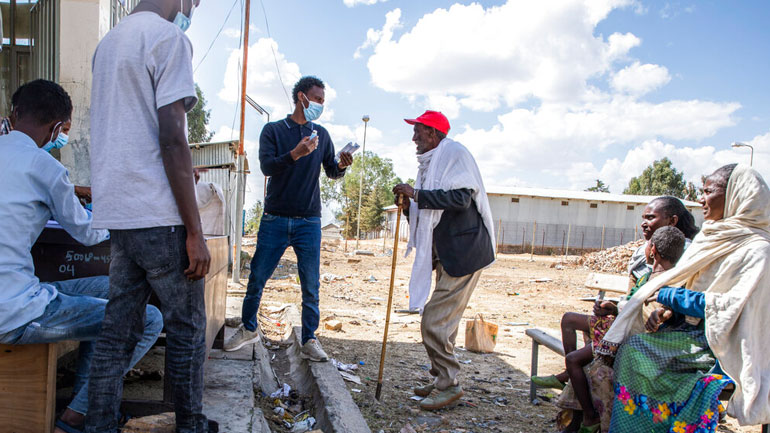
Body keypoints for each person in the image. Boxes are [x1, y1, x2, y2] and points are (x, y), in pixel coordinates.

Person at [0, 80, 162, 433]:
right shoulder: (46, 169)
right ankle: (76, 417)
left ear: (13, 114)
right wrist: (114, 212)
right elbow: (87, 234)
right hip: (13, 312)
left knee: (108, 290)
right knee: (146, 319)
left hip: (15, 291)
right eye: (64, 133)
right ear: (58, 128)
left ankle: (83, 403)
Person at [86, 0, 215, 431]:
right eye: (194, 0)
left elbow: (130, 130)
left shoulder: (108, 44)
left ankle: (98, 424)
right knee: (187, 330)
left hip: (120, 214)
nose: (192, 7)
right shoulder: (169, 38)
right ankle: (191, 426)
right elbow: (172, 136)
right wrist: (195, 231)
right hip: (159, 218)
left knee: (116, 333)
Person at [598, 164, 770, 432]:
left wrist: (670, 296)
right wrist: (666, 310)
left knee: (634, 351)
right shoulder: (712, 238)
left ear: (737, 194)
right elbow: (693, 286)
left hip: (722, 345)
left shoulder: (757, 250)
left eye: (708, 191)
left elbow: (730, 307)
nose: (701, 199)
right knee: (631, 348)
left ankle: (654, 424)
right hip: (688, 333)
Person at [224, 76, 354, 361]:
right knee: (257, 276)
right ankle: (248, 329)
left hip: (309, 221)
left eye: (323, 100)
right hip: (275, 218)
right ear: (301, 97)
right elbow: (267, 166)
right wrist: (295, 154)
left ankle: (308, 338)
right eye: (316, 99)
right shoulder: (273, 130)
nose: (320, 104)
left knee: (310, 283)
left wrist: (342, 165)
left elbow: (331, 170)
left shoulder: (321, 134)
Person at [533, 196, 699, 391]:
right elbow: (633, 296)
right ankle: (571, 376)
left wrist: (623, 310)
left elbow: (671, 300)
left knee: (579, 357)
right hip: (627, 318)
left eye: (651, 218)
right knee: (570, 321)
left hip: (646, 331)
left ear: (672, 221)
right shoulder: (643, 253)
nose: (644, 223)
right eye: (643, 217)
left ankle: (574, 383)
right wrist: (613, 306)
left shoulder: (683, 255)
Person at [392, 110, 495, 411]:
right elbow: (429, 215)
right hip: (448, 255)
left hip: (465, 253)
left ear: (434, 133)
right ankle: (440, 379)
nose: (414, 138)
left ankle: (449, 384)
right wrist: (409, 204)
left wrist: (417, 194)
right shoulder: (431, 164)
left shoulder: (454, 154)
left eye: (418, 131)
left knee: (433, 322)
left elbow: (460, 199)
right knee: (445, 324)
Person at [556, 226, 687, 433]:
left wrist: (659, 313)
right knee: (574, 339)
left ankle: (590, 417)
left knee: (575, 361)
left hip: (627, 343)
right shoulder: (650, 277)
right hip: (620, 335)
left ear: (653, 251)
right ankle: (581, 415)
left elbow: (661, 311)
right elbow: (633, 307)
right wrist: (613, 307)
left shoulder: (665, 282)